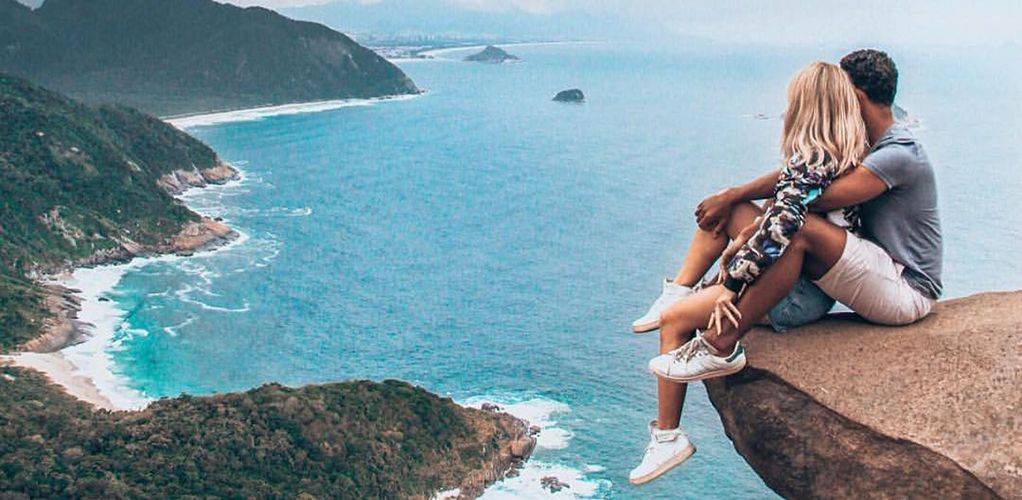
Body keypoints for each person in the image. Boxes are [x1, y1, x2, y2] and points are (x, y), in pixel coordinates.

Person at [630, 49, 943, 485]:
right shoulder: (859, 145)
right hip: (856, 269)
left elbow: (806, 197)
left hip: (904, 285)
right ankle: (680, 290)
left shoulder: (899, 152)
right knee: (731, 210)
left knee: (797, 227)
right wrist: (732, 196)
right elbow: (797, 182)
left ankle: (719, 346)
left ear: (853, 96)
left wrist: (737, 265)